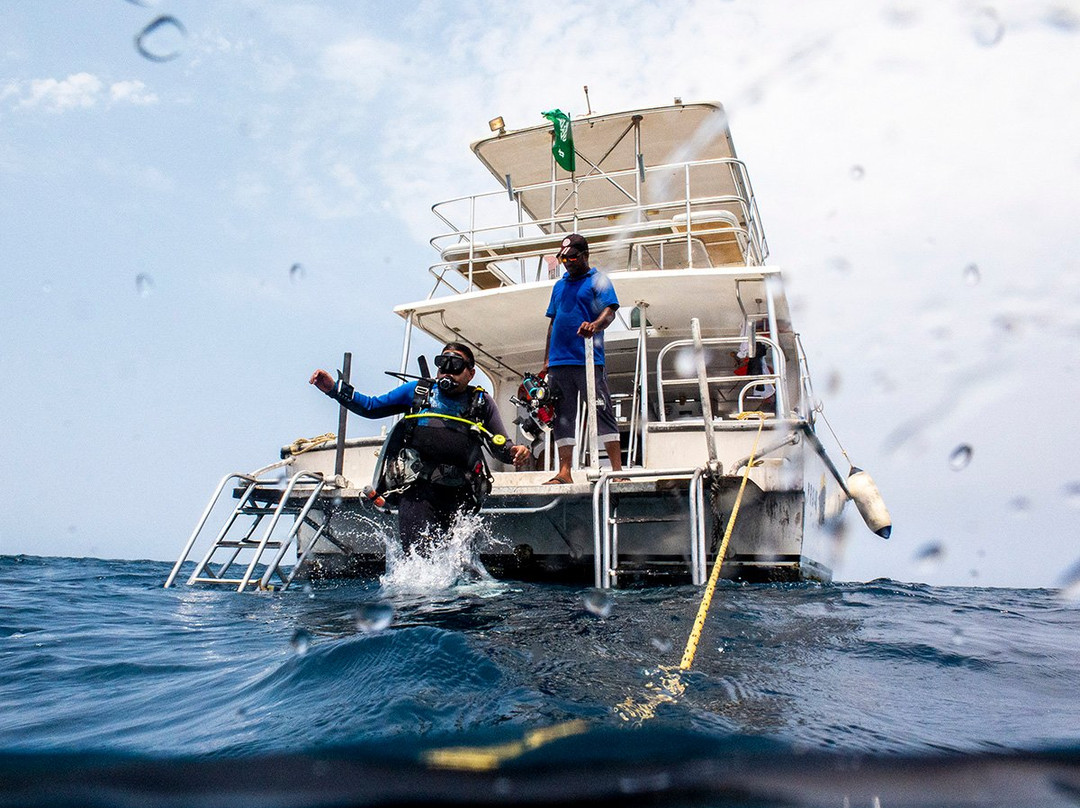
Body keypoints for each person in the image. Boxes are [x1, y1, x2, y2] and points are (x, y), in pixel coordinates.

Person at [309, 343, 530, 554]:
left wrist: (516, 452)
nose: (447, 372)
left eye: (456, 366)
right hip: (418, 492)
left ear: (470, 374)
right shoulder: (418, 392)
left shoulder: (480, 402)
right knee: (419, 561)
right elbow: (371, 407)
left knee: (456, 564)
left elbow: (501, 446)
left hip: (461, 494)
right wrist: (335, 389)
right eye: (443, 365)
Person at [541, 233, 625, 484]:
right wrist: (546, 361)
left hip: (588, 360)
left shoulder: (598, 280)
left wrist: (595, 325)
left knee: (602, 411)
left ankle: (617, 472)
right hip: (559, 362)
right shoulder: (559, 286)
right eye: (563, 258)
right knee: (562, 416)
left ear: (585, 255)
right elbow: (553, 323)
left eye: (572, 257)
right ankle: (564, 472)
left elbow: (609, 311)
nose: (567, 262)